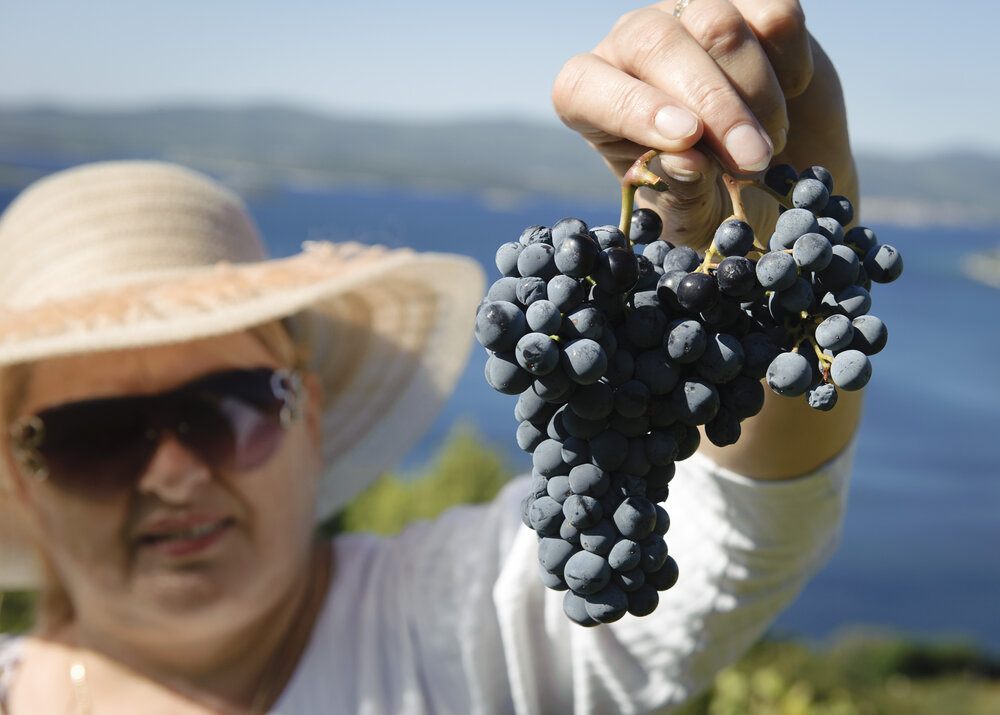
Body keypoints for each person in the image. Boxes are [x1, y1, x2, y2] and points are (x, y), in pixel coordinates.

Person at [0, 1, 862, 712]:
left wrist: (769, 196)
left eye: (227, 406)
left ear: (308, 414)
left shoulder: (460, 621)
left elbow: (744, 532)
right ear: (19, 479)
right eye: (94, 435)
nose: (177, 473)